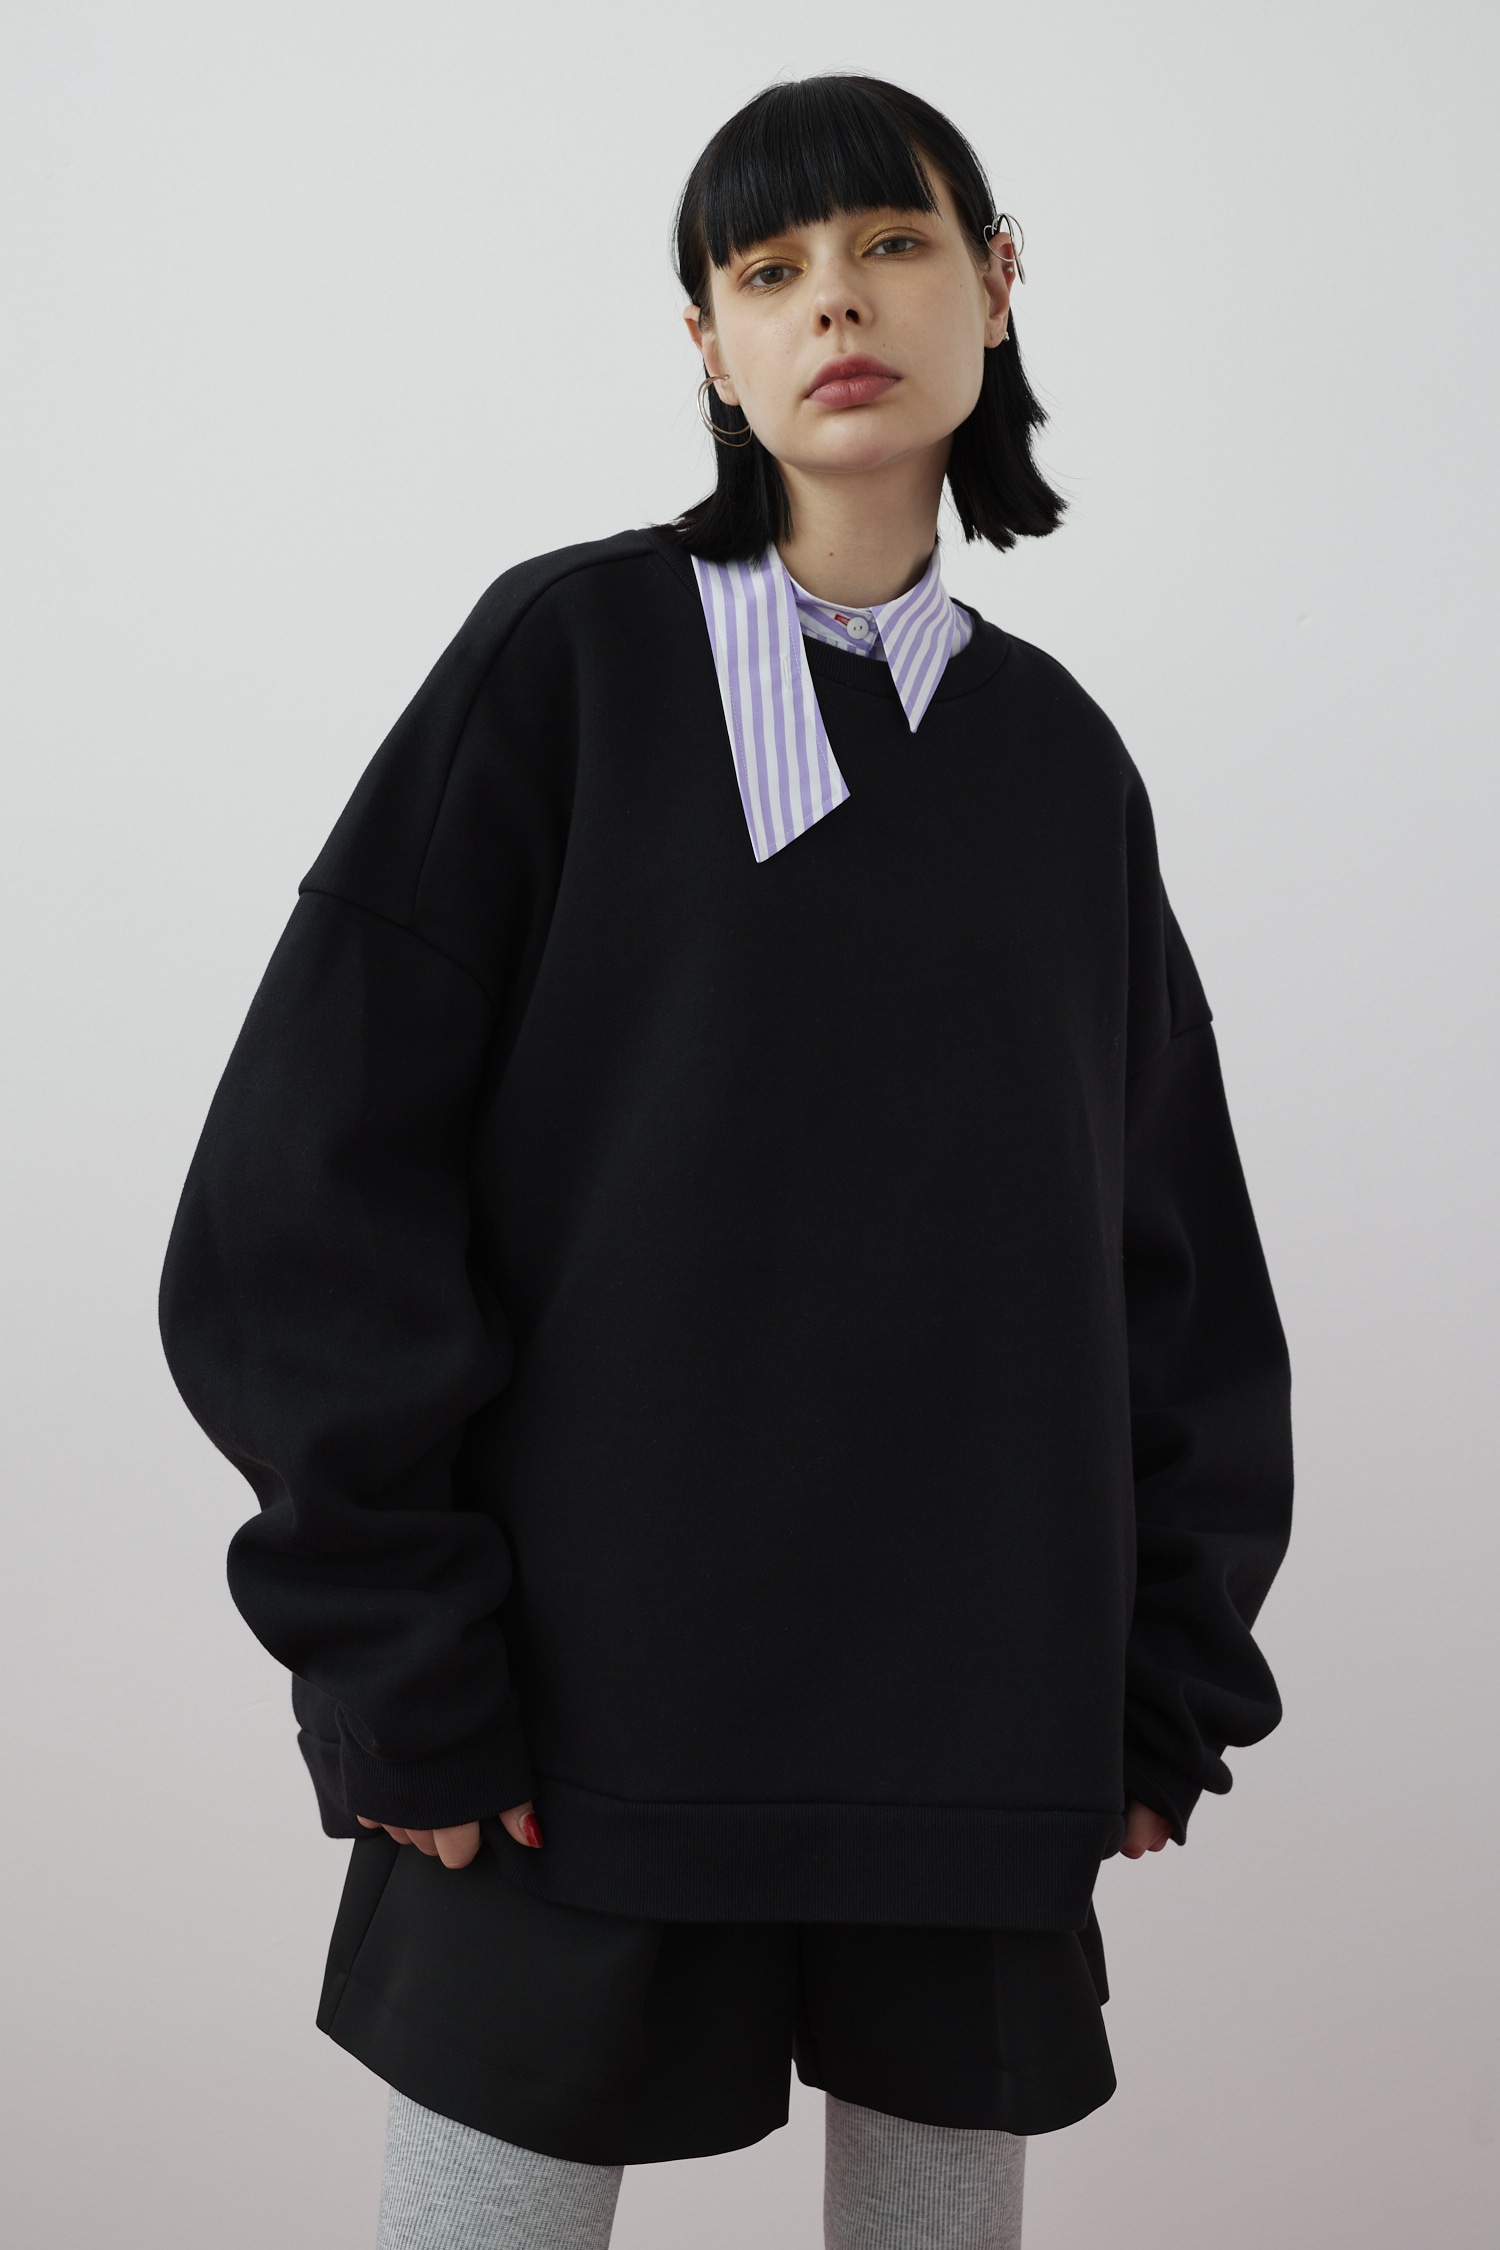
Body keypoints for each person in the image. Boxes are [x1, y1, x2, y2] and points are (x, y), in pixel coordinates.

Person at [160, 73, 1293, 2250]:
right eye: (767, 271)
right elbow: (305, 1191)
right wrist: (399, 1658)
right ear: (708, 345)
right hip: (561, 1712)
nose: (834, 303)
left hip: (974, 1717)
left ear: (996, 284)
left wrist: (1162, 1677)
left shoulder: (1062, 768)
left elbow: (1166, 1263)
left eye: (891, 243)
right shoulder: (565, 665)